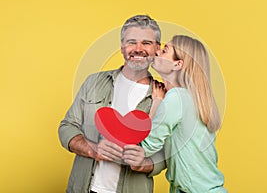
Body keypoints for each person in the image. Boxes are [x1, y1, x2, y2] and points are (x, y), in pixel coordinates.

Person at [58, 15, 166, 193]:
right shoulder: (93, 82)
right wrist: (93, 149)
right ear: (122, 47)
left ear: (157, 48)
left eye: (146, 43)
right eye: (132, 42)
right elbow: (67, 127)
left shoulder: (164, 96)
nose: (138, 49)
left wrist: (143, 164)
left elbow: (167, 153)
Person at [124, 35, 227, 193]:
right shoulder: (189, 98)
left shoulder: (177, 98)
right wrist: (159, 102)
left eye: (165, 50)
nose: (157, 52)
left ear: (178, 64)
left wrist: (157, 103)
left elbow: (146, 146)